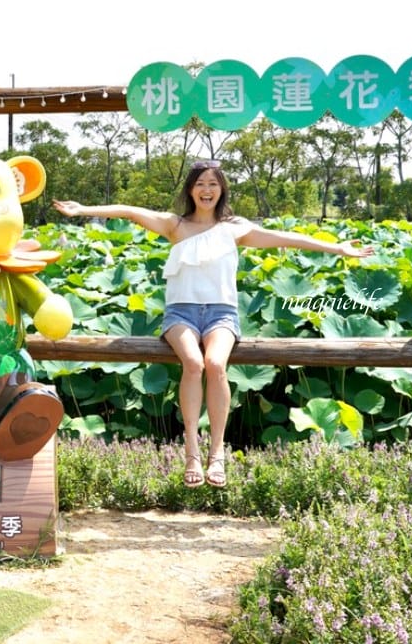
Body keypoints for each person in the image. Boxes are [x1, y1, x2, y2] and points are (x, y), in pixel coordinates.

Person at [53, 160, 374, 489]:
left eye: (213, 184)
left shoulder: (235, 228)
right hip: (181, 314)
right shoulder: (175, 225)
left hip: (222, 313)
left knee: (216, 363)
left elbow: (285, 238)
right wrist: (83, 210)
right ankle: (192, 450)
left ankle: (217, 451)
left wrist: (337, 248)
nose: (206, 190)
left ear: (222, 190)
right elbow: (130, 211)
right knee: (193, 363)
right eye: (200, 184)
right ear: (190, 189)